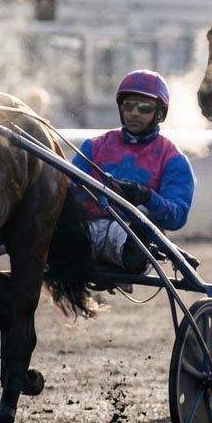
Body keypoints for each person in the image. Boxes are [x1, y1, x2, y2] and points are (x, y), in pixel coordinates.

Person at [72, 70, 195, 272]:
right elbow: (66, 189)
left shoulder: (173, 158)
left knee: (134, 238)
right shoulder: (93, 146)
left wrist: (145, 196)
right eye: (129, 106)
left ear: (160, 113)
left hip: (136, 240)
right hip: (86, 229)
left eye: (144, 107)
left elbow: (177, 217)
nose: (135, 113)